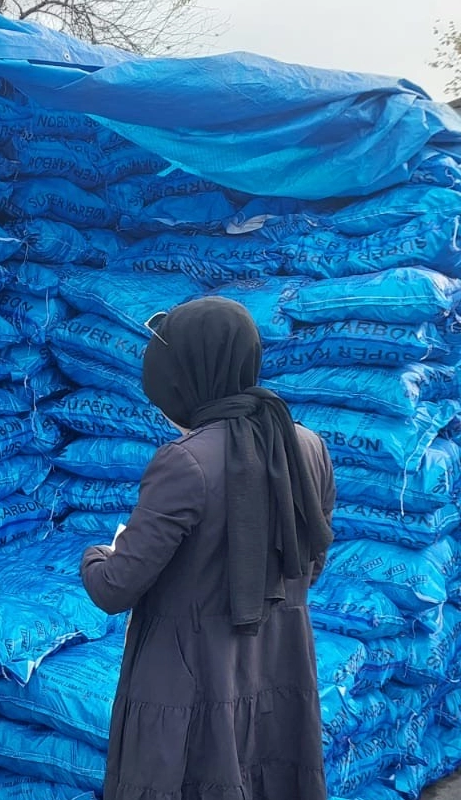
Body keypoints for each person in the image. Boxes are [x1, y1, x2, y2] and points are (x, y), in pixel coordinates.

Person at [80, 296, 336, 800]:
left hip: (190, 683)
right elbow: (310, 563)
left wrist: (96, 553)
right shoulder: (305, 444)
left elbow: (114, 589)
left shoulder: (185, 462)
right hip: (277, 668)